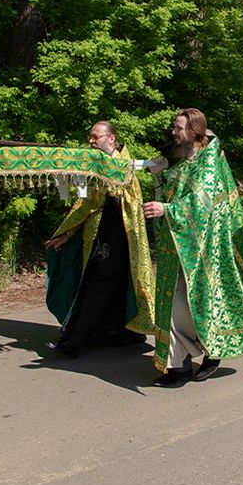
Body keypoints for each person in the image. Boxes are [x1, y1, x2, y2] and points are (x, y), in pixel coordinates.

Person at [142, 109, 243, 387]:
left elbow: (201, 203)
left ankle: (188, 362)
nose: (174, 132)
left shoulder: (207, 163)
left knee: (183, 307)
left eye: (179, 128)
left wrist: (166, 209)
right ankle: (187, 360)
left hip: (201, 251)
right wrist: (160, 178)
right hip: (179, 247)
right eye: (174, 127)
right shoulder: (184, 163)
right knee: (174, 306)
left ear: (195, 132)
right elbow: (173, 193)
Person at [42, 121, 154, 359]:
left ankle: (73, 340)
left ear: (111, 139)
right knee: (103, 285)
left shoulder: (125, 165)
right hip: (98, 237)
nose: (91, 142)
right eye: (90, 137)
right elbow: (85, 204)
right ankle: (123, 331)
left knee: (97, 286)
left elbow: (127, 201)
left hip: (121, 238)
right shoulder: (94, 166)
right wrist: (68, 233)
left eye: (96, 137)